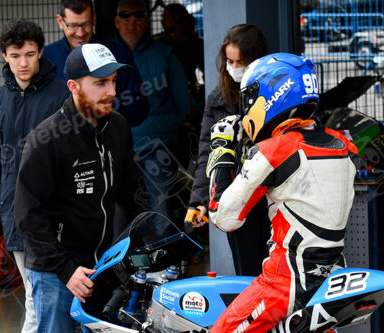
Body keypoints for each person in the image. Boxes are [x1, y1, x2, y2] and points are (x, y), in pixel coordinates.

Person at [154, 53, 358, 333]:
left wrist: (223, 156)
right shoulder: (342, 146)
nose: (245, 111)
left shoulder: (275, 150)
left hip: (283, 285)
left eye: (250, 100)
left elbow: (225, 215)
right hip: (332, 280)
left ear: (270, 98)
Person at [15, 43, 147, 333]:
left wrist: (144, 241)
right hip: (57, 270)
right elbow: (28, 216)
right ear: (74, 87)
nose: (111, 90)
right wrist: (65, 268)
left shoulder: (120, 129)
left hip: (106, 266)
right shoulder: (46, 140)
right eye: (101, 82)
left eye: (113, 81)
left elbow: (132, 192)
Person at [0, 19, 69, 333]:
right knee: (38, 300)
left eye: (30, 54)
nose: (23, 62)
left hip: (57, 214)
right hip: (14, 216)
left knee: (52, 301)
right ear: (4, 56)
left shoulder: (60, 93)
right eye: (15, 56)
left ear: (41, 52)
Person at [186, 23, 271, 276]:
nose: (234, 68)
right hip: (238, 199)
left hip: (275, 198)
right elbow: (207, 152)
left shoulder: (276, 92)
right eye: (229, 61)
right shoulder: (218, 98)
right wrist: (199, 201)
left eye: (240, 61)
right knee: (247, 277)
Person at [111, 0, 190, 224]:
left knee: (161, 209)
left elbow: (183, 105)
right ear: (117, 22)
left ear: (147, 22)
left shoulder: (165, 55)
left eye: (138, 17)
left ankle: (162, 256)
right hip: (116, 148)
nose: (132, 24)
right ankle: (119, 259)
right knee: (116, 213)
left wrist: (159, 129)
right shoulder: (106, 55)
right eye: (126, 17)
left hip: (157, 146)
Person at [43, 0, 149, 127]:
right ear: (60, 22)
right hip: (61, 141)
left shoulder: (118, 54)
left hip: (109, 140)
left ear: (94, 18)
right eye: (73, 25)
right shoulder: (46, 58)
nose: (80, 33)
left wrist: (104, 108)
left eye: (86, 24)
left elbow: (140, 108)